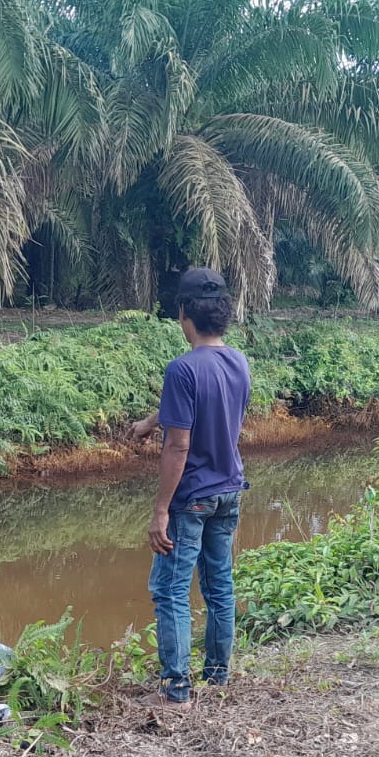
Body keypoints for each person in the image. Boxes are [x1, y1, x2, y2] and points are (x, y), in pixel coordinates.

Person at [129, 268, 251, 709]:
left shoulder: (180, 369)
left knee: (171, 590)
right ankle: (217, 674)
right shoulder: (238, 361)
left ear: (183, 314)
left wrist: (161, 509)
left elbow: (179, 445)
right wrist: (150, 421)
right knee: (219, 584)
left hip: (192, 498)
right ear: (223, 315)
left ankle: (176, 687)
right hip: (229, 490)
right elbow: (208, 404)